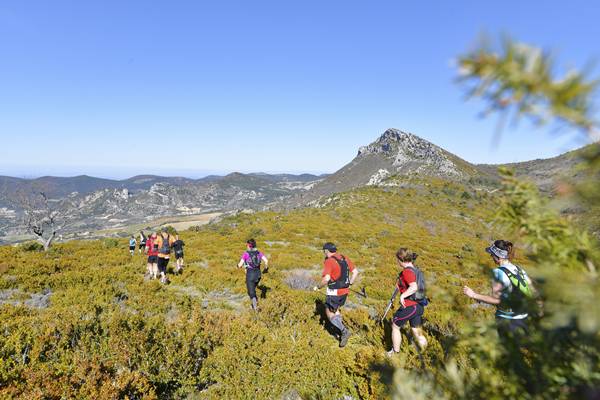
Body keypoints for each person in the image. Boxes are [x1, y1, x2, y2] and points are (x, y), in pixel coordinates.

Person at [463, 240, 534, 338]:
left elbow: (496, 300)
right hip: (524, 318)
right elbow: (533, 291)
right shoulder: (519, 269)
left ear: (498, 256)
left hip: (507, 321)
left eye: (492, 254)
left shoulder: (497, 272)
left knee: (508, 351)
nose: (491, 257)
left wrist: (473, 295)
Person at [313, 242, 359, 348]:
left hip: (334, 292)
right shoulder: (344, 257)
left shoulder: (329, 261)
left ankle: (344, 331)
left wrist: (318, 287)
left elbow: (326, 279)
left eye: (324, 251)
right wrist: (350, 283)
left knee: (329, 312)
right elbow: (355, 272)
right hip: (345, 291)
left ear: (326, 251)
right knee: (336, 310)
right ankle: (338, 329)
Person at [386, 248, 427, 357]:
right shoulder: (416, 270)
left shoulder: (407, 272)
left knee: (395, 326)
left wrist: (402, 296)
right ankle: (426, 353)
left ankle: (395, 353)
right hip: (419, 306)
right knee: (416, 330)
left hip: (410, 305)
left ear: (401, 259)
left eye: (397, 259)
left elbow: (414, 287)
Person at [237, 239, 269, 311]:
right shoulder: (259, 253)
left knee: (251, 292)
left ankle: (255, 308)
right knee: (253, 289)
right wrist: (266, 268)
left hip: (250, 275)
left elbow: (240, 265)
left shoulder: (246, 254)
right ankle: (255, 303)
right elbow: (266, 261)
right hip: (258, 274)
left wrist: (238, 266)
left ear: (248, 245)